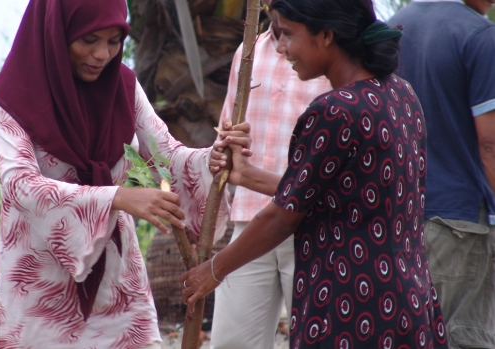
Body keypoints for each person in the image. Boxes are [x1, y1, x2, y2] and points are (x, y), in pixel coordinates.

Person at [182, 0, 449, 347]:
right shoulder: (401, 95)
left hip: (349, 307)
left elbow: (283, 217)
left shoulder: (334, 110)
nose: (281, 48)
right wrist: (245, 175)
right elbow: (325, 192)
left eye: (288, 34)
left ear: (326, 35)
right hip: (405, 299)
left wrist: (212, 270)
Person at [0, 0, 230, 348]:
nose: (102, 55)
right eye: (89, 40)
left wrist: (214, 158)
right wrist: (119, 197)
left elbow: (166, 156)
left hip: (115, 276)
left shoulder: (122, 87)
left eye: (114, 42)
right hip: (36, 282)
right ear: (55, 34)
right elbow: (21, 186)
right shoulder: (10, 101)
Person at [209, 0, 330, 347]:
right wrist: (226, 146)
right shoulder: (248, 53)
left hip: (312, 223)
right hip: (251, 218)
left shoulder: (324, 51)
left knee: (316, 337)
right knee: (231, 341)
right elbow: (225, 130)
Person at [388, 1, 495, 347]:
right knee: (460, 335)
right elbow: (490, 144)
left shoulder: (393, 27)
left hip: (395, 219)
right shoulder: (480, 35)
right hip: (460, 223)